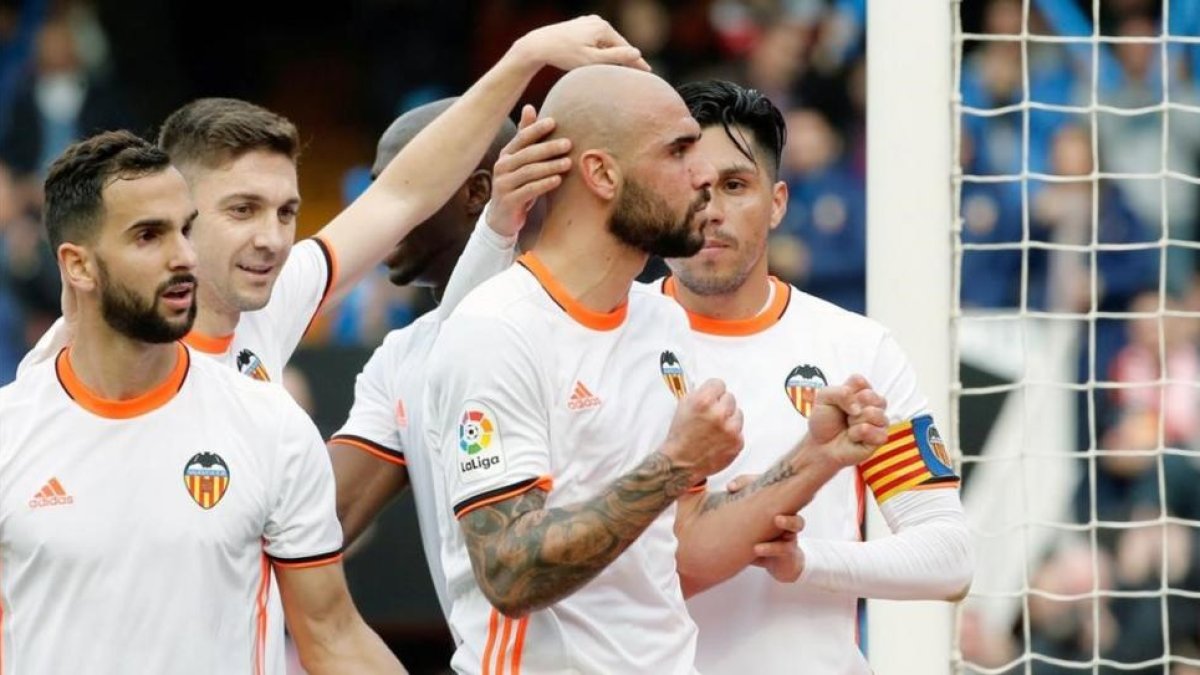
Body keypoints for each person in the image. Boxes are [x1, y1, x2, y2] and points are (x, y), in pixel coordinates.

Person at [450, 78, 975, 673]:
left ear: (776, 201)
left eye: (733, 185)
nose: (709, 205)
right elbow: (667, 555)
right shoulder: (601, 330)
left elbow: (949, 553)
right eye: (686, 170)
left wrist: (806, 556)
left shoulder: (856, 348)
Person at [18, 15, 649, 383]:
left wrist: (525, 56)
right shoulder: (65, 373)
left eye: (286, 212)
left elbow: (403, 193)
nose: (271, 238)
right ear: (179, 216)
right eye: (241, 210)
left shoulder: (269, 302)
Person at [0, 130, 405, 674]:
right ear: (78, 266)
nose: (185, 257)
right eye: (149, 236)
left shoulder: (269, 422)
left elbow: (334, 638)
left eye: (186, 230)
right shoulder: (12, 429)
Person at [327, 98, 557, 616]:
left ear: (477, 193)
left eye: (399, 185)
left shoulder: (574, 322)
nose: (375, 208)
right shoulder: (400, 357)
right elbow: (318, 521)